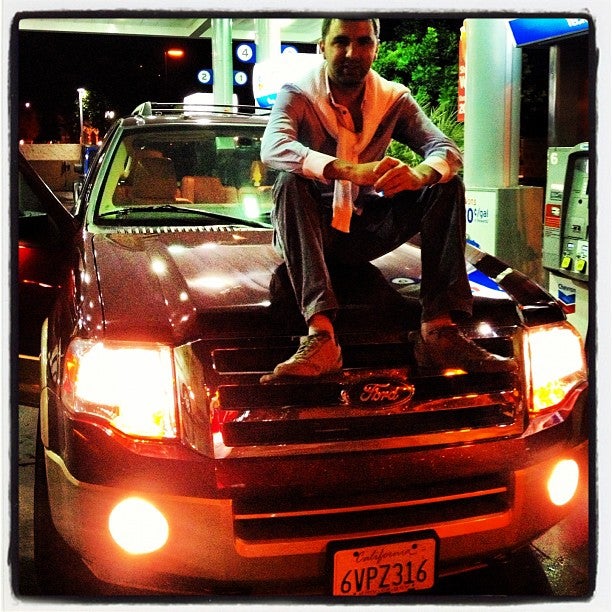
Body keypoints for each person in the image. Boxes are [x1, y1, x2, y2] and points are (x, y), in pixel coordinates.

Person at [260, 18, 514, 383]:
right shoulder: (298, 94)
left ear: (376, 49)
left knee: (445, 184)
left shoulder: (392, 99)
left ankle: (438, 331)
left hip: (364, 229)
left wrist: (418, 175)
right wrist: (351, 171)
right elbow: (274, 147)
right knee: (290, 181)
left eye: (363, 42)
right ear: (321, 47)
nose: (352, 53)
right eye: (341, 42)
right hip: (312, 235)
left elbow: (446, 150)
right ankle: (321, 338)